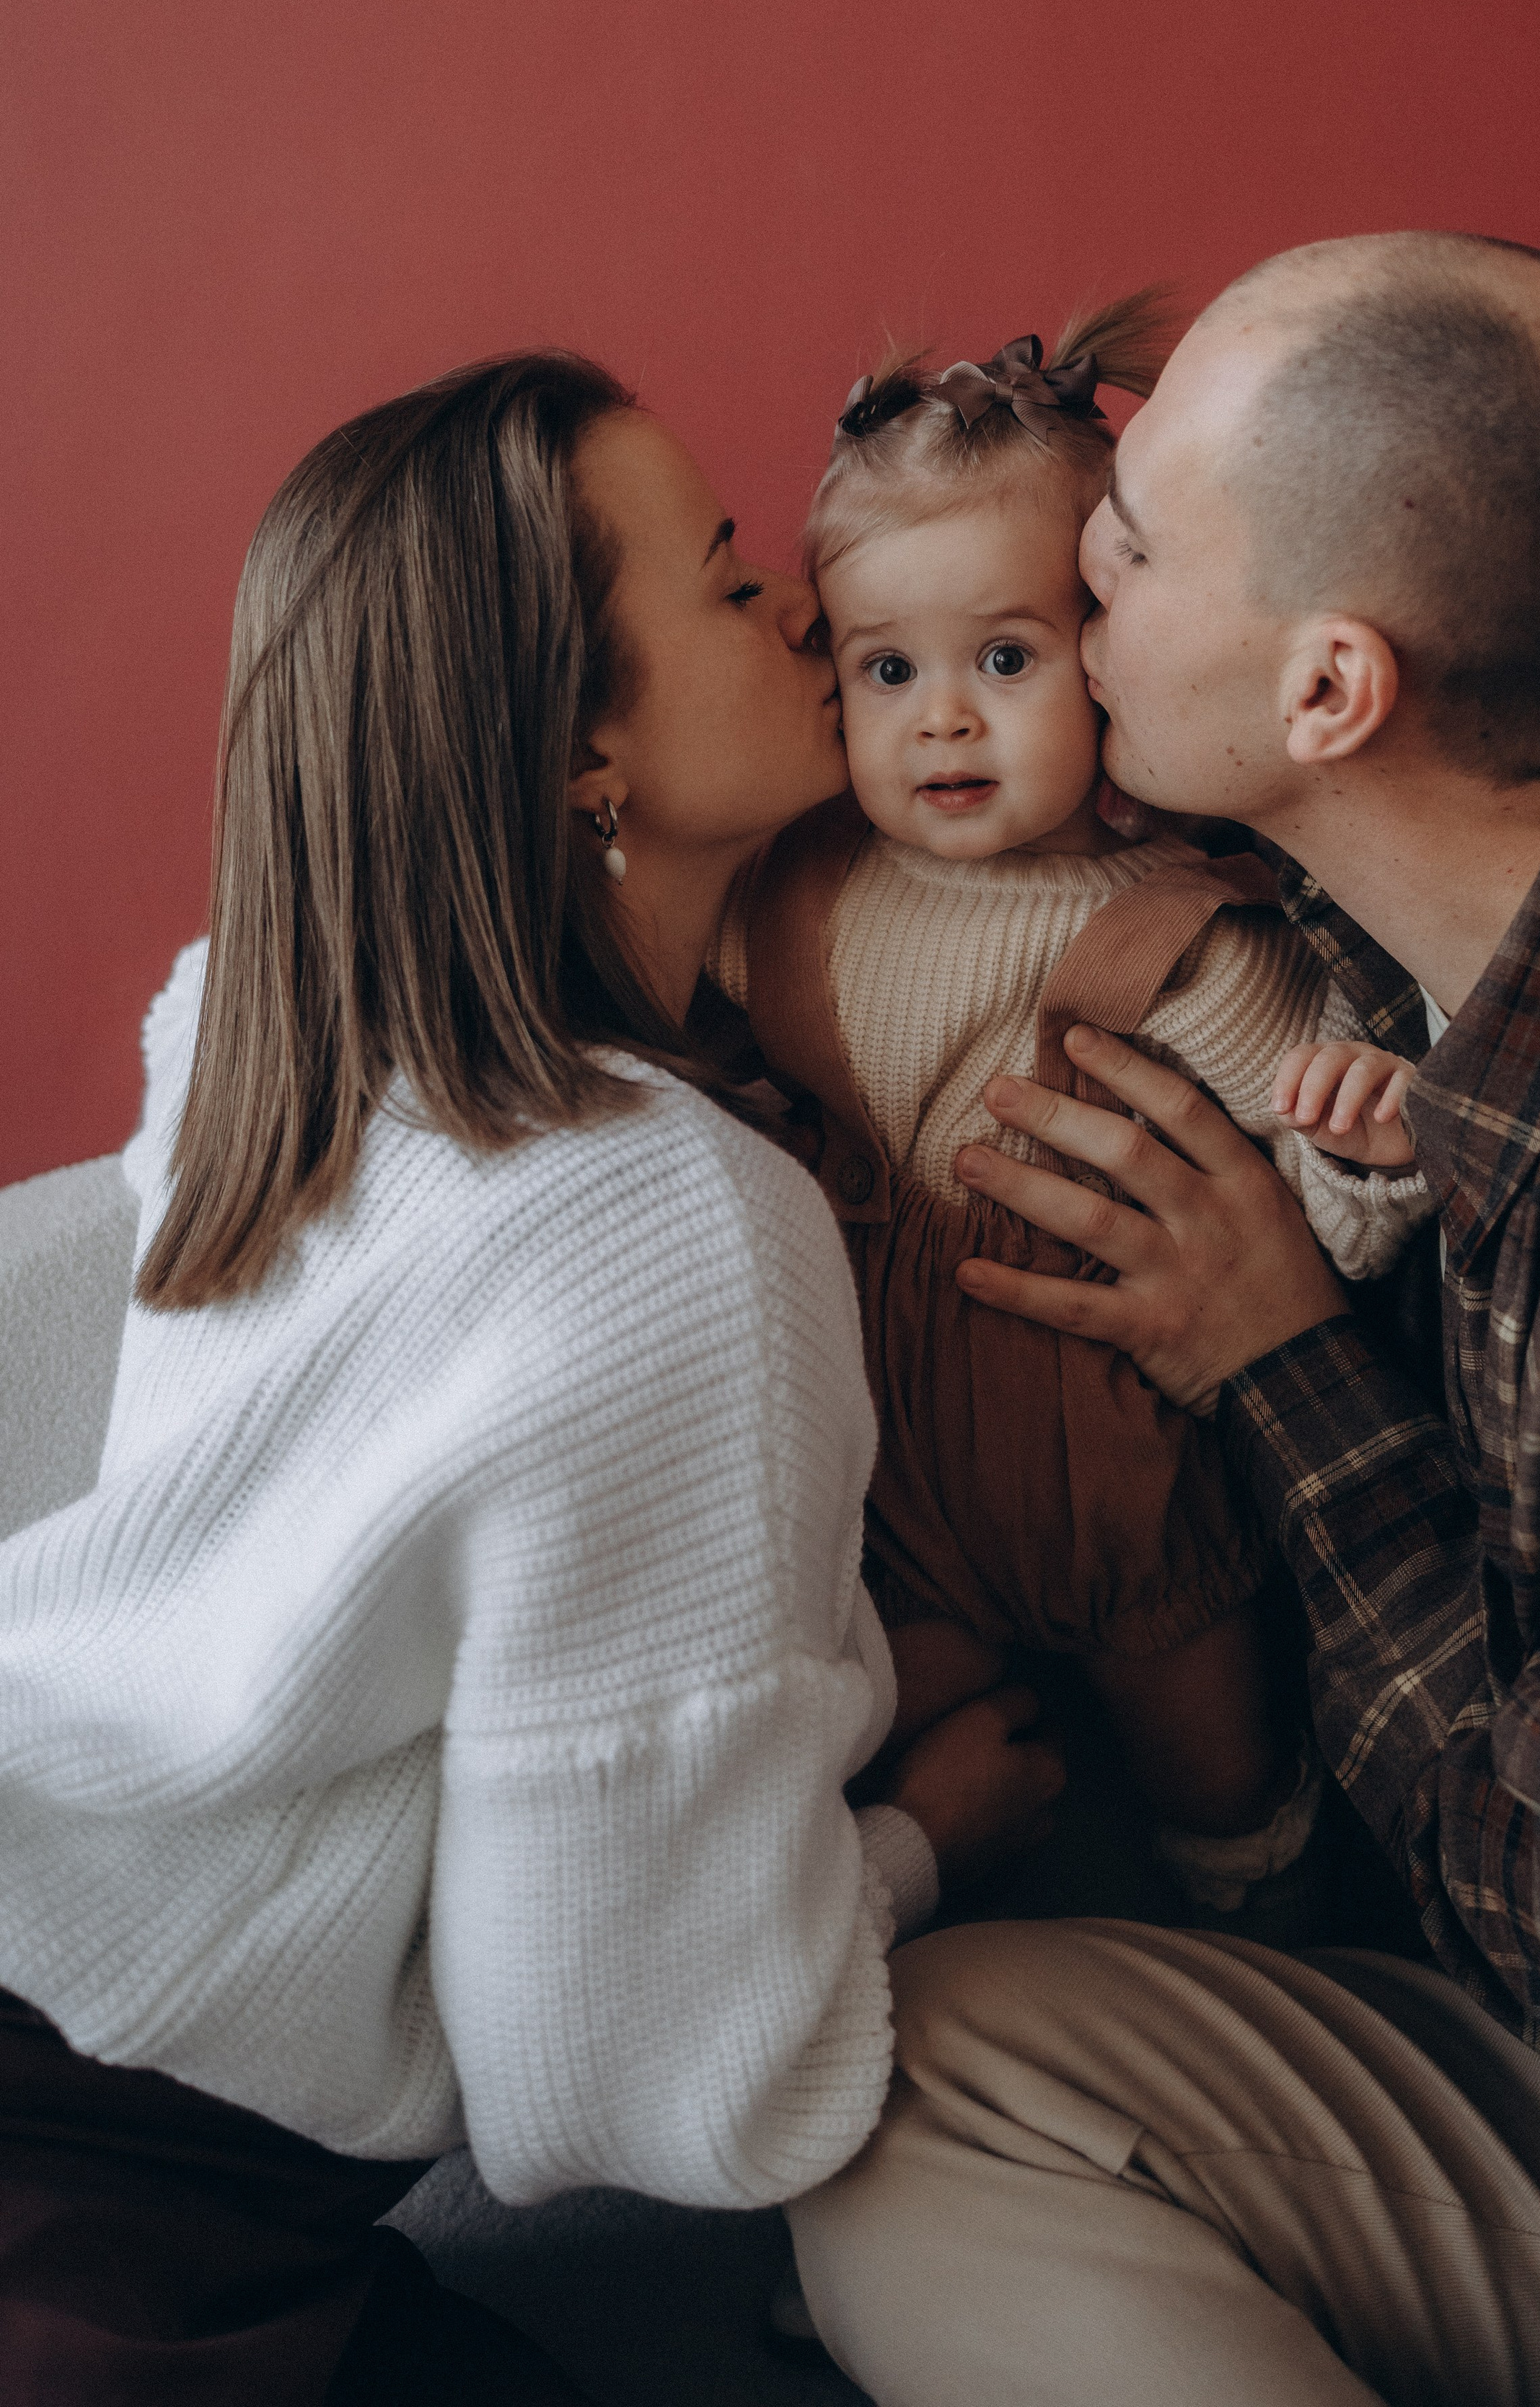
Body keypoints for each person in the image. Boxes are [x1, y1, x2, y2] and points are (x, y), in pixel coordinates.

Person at [788, 234, 1540, 2407]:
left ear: (1331, 688)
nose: (1082, 553)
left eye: (1137, 544)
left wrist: (1281, 1368)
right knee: (889, 2091)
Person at [0, 353, 1061, 2401]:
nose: (809, 624)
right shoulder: (671, 1223)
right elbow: (629, 2074)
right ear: (587, 748)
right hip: (106, 2232)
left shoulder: (258, 1042)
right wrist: (921, 1841)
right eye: (736, 581)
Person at [712, 293, 1426, 1927]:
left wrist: (1360, 1145)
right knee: (860, 1718)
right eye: (888, 667)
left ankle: (1260, 1925)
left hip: (1115, 1476)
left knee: (1212, 1761)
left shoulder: (1176, 930)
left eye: (1005, 659)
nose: (942, 717)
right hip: (886, 1477)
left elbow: (1322, 1185)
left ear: (1099, 656)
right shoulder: (793, 892)